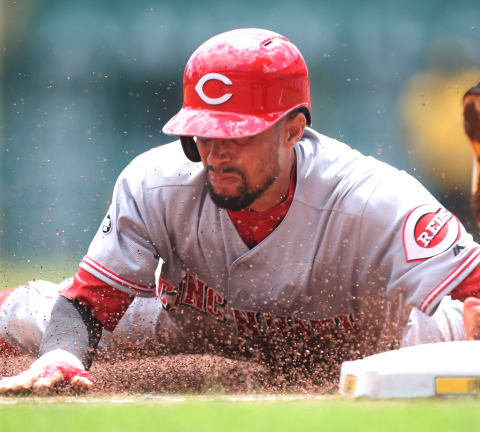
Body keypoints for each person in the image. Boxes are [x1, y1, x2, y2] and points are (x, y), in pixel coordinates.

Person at [1, 28, 480, 393]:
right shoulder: (156, 182)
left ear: (293, 130)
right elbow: (89, 301)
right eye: (204, 132)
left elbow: (472, 284)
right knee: (30, 316)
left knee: (455, 336)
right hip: (195, 328)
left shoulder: (374, 199)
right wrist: (61, 355)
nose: (216, 151)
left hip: (368, 342)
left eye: (238, 134)